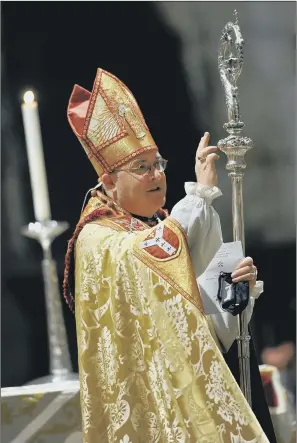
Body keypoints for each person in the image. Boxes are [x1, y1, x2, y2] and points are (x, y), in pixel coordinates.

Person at [63, 68, 272, 443]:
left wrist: (236, 290)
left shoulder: (152, 223)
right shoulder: (96, 236)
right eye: (141, 167)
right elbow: (147, 256)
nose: (155, 174)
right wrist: (200, 197)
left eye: (158, 164)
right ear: (109, 181)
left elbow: (198, 312)